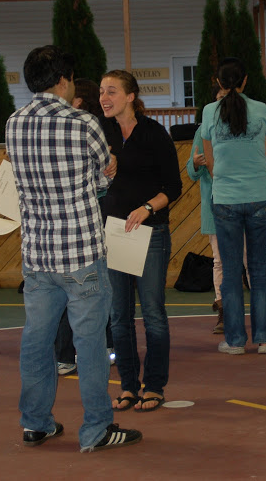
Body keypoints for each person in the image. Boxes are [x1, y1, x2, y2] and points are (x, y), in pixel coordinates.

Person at [7, 46, 142, 452]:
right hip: (81, 251)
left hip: (37, 254)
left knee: (37, 340)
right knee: (90, 344)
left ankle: (35, 423)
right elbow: (102, 178)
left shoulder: (14, 123)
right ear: (64, 80)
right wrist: (104, 175)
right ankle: (97, 427)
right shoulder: (84, 123)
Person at [100, 70, 182, 412]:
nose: (104, 98)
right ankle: (129, 386)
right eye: (102, 92)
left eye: (112, 91)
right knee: (118, 316)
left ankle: (155, 386)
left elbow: (173, 187)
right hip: (114, 233)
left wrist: (147, 208)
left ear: (131, 96)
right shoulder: (100, 133)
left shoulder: (154, 133)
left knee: (153, 314)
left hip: (150, 233)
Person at [188, 78, 266, 336]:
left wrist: (224, 171)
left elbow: (265, 156)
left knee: (252, 264)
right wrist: (198, 164)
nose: (225, 102)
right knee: (223, 263)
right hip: (221, 202)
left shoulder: (249, 121)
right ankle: (226, 313)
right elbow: (191, 169)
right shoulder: (207, 125)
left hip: (234, 197)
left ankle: (262, 318)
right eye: (220, 98)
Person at [201, 57, 266, 355]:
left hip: (225, 198)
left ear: (219, 82)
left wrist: (225, 180)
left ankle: (234, 341)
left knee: (231, 272)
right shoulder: (261, 109)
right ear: (245, 80)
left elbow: (209, 161)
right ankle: (265, 338)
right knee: (259, 270)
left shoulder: (209, 111)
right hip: (260, 195)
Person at [54, 78, 116, 376]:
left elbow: (105, 174)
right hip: (91, 216)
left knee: (83, 289)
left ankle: (72, 354)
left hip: (91, 216)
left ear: (78, 101)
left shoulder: (88, 127)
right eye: (102, 92)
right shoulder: (90, 128)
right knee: (94, 288)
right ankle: (100, 349)